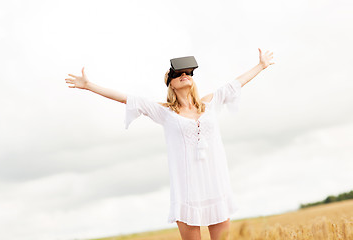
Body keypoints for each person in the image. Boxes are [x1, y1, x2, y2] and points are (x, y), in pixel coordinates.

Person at [64, 48, 274, 240]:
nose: (184, 75)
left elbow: (236, 83)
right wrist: (89, 85)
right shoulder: (165, 112)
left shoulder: (210, 104)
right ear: (170, 83)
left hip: (215, 183)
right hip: (188, 189)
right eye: (178, 74)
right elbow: (126, 98)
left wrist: (261, 65)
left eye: (189, 73)